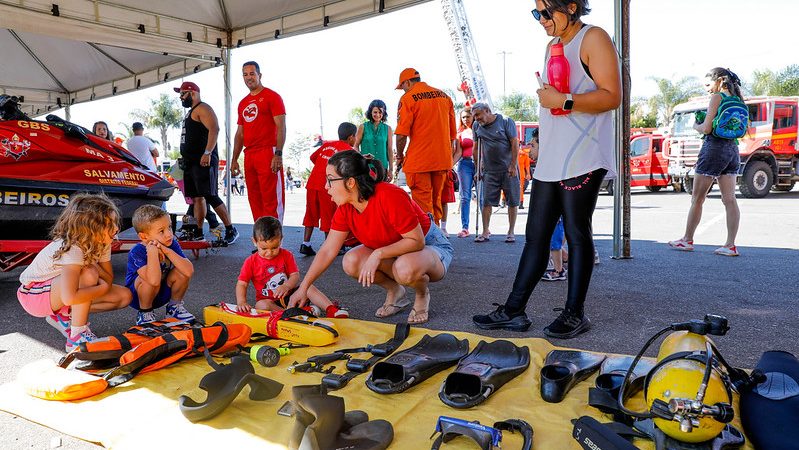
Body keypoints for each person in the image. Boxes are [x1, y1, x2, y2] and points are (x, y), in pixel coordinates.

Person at [473, 0, 621, 339]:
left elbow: (612, 96)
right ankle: (513, 310)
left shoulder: (593, 38)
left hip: (583, 155)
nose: (540, 20)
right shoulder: (553, 45)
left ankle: (574, 314)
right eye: (535, 13)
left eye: (546, 12)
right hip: (552, 158)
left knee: (576, 233)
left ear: (571, 6)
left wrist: (564, 100)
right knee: (535, 236)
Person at [289, 150, 453, 325]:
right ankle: (395, 292)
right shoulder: (346, 207)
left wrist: (378, 254)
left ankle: (422, 294)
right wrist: (303, 288)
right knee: (351, 261)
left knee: (404, 268)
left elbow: (416, 241)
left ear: (350, 182)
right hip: (395, 250)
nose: (326, 186)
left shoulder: (389, 195)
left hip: (428, 247)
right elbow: (328, 250)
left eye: (330, 179)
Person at [17, 194, 132, 352]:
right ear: (90, 227)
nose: (116, 228)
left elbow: (108, 278)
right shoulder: (73, 248)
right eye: (109, 223)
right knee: (88, 274)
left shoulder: (103, 241)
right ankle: (77, 337)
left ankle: (62, 317)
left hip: (60, 292)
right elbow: (70, 297)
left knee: (124, 296)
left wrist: (91, 262)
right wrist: (102, 286)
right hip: (33, 295)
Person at [668, 67, 743, 257]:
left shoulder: (717, 98)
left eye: (708, 84)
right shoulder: (738, 100)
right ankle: (730, 245)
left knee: (697, 199)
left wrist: (695, 125)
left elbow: (707, 128)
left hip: (714, 149)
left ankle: (687, 240)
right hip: (733, 150)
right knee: (729, 199)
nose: (707, 89)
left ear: (719, 81)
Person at [236, 216, 348, 318]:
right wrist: (241, 302)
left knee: (308, 287)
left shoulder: (286, 255)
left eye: (274, 247)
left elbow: (295, 275)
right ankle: (292, 314)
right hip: (270, 302)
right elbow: (242, 284)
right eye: (264, 249)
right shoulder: (250, 262)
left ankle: (331, 309)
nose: (269, 253)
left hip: (292, 297)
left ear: (281, 240)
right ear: (254, 242)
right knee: (260, 305)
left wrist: (287, 286)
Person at [174, 81, 239, 244]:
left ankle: (231, 229)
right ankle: (198, 231)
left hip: (203, 159)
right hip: (191, 161)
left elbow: (214, 129)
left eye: (183, 94)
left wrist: (207, 152)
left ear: (192, 93)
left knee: (210, 195)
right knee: (197, 197)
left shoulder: (203, 108)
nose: (181, 98)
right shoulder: (191, 112)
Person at [394, 68, 458, 226]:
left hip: (419, 162)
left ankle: (428, 242)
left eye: (403, 87)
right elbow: (452, 136)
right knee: (436, 201)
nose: (403, 90)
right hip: (442, 160)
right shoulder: (445, 97)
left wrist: (400, 156)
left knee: (423, 207)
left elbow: (401, 134)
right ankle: (436, 237)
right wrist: (447, 157)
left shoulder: (408, 98)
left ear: (407, 82)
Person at [230, 61, 287, 222]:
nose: (249, 77)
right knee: (255, 200)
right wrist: (234, 159)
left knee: (271, 201)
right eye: (245, 74)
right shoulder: (242, 103)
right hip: (250, 154)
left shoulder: (272, 96)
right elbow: (240, 134)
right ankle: (262, 242)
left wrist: (278, 153)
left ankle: (275, 243)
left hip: (268, 151)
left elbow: (281, 127)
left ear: (259, 75)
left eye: (252, 73)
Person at [125, 205, 195, 325]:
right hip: (140, 297)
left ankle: (174, 308)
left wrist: (167, 250)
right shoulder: (137, 251)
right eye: (161, 231)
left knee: (181, 270)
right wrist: (152, 252)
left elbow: (188, 271)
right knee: (146, 278)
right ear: (144, 236)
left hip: (162, 292)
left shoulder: (171, 244)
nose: (169, 234)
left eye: (169, 227)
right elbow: (153, 280)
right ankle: (145, 313)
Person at [300, 122, 357, 256]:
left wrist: (323, 166)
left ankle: (305, 243)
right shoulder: (349, 150)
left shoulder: (327, 145)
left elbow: (313, 157)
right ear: (350, 137)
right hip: (327, 185)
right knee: (328, 215)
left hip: (312, 183)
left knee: (311, 213)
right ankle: (330, 246)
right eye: (355, 137)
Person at [471, 102, 521, 243]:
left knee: (512, 200)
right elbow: (476, 148)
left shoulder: (505, 121)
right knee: (486, 201)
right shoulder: (476, 126)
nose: (476, 119)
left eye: (478, 115)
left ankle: (511, 232)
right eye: (474, 116)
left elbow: (514, 143)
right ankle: (485, 231)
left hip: (508, 169)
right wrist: (477, 168)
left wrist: (513, 164)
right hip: (489, 170)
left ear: (487, 111)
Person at [355, 99, 394, 181]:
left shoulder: (388, 129)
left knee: (382, 192)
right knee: (367, 192)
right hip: (366, 168)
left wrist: (391, 170)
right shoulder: (362, 127)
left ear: (383, 114)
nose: (378, 115)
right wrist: (360, 158)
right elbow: (356, 145)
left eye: (380, 112)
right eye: (375, 112)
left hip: (382, 168)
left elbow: (390, 150)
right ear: (371, 112)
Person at [454, 108, 475, 238]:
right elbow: (458, 152)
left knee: (482, 196)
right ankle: (465, 227)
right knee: (465, 196)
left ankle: (485, 228)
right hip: (464, 164)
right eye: (463, 117)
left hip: (480, 163)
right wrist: (449, 165)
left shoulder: (480, 130)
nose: (466, 119)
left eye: (468, 116)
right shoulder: (461, 133)